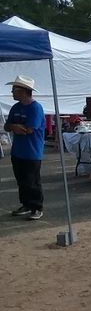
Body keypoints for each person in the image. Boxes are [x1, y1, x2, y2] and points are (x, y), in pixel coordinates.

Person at [4, 75, 45, 220]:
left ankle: (37, 207)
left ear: (24, 91)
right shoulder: (16, 107)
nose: (12, 92)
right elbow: (7, 126)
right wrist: (15, 126)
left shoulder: (35, 108)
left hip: (32, 152)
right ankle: (26, 204)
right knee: (21, 180)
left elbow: (29, 130)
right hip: (18, 151)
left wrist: (16, 126)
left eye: (14, 90)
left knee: (32, 181)